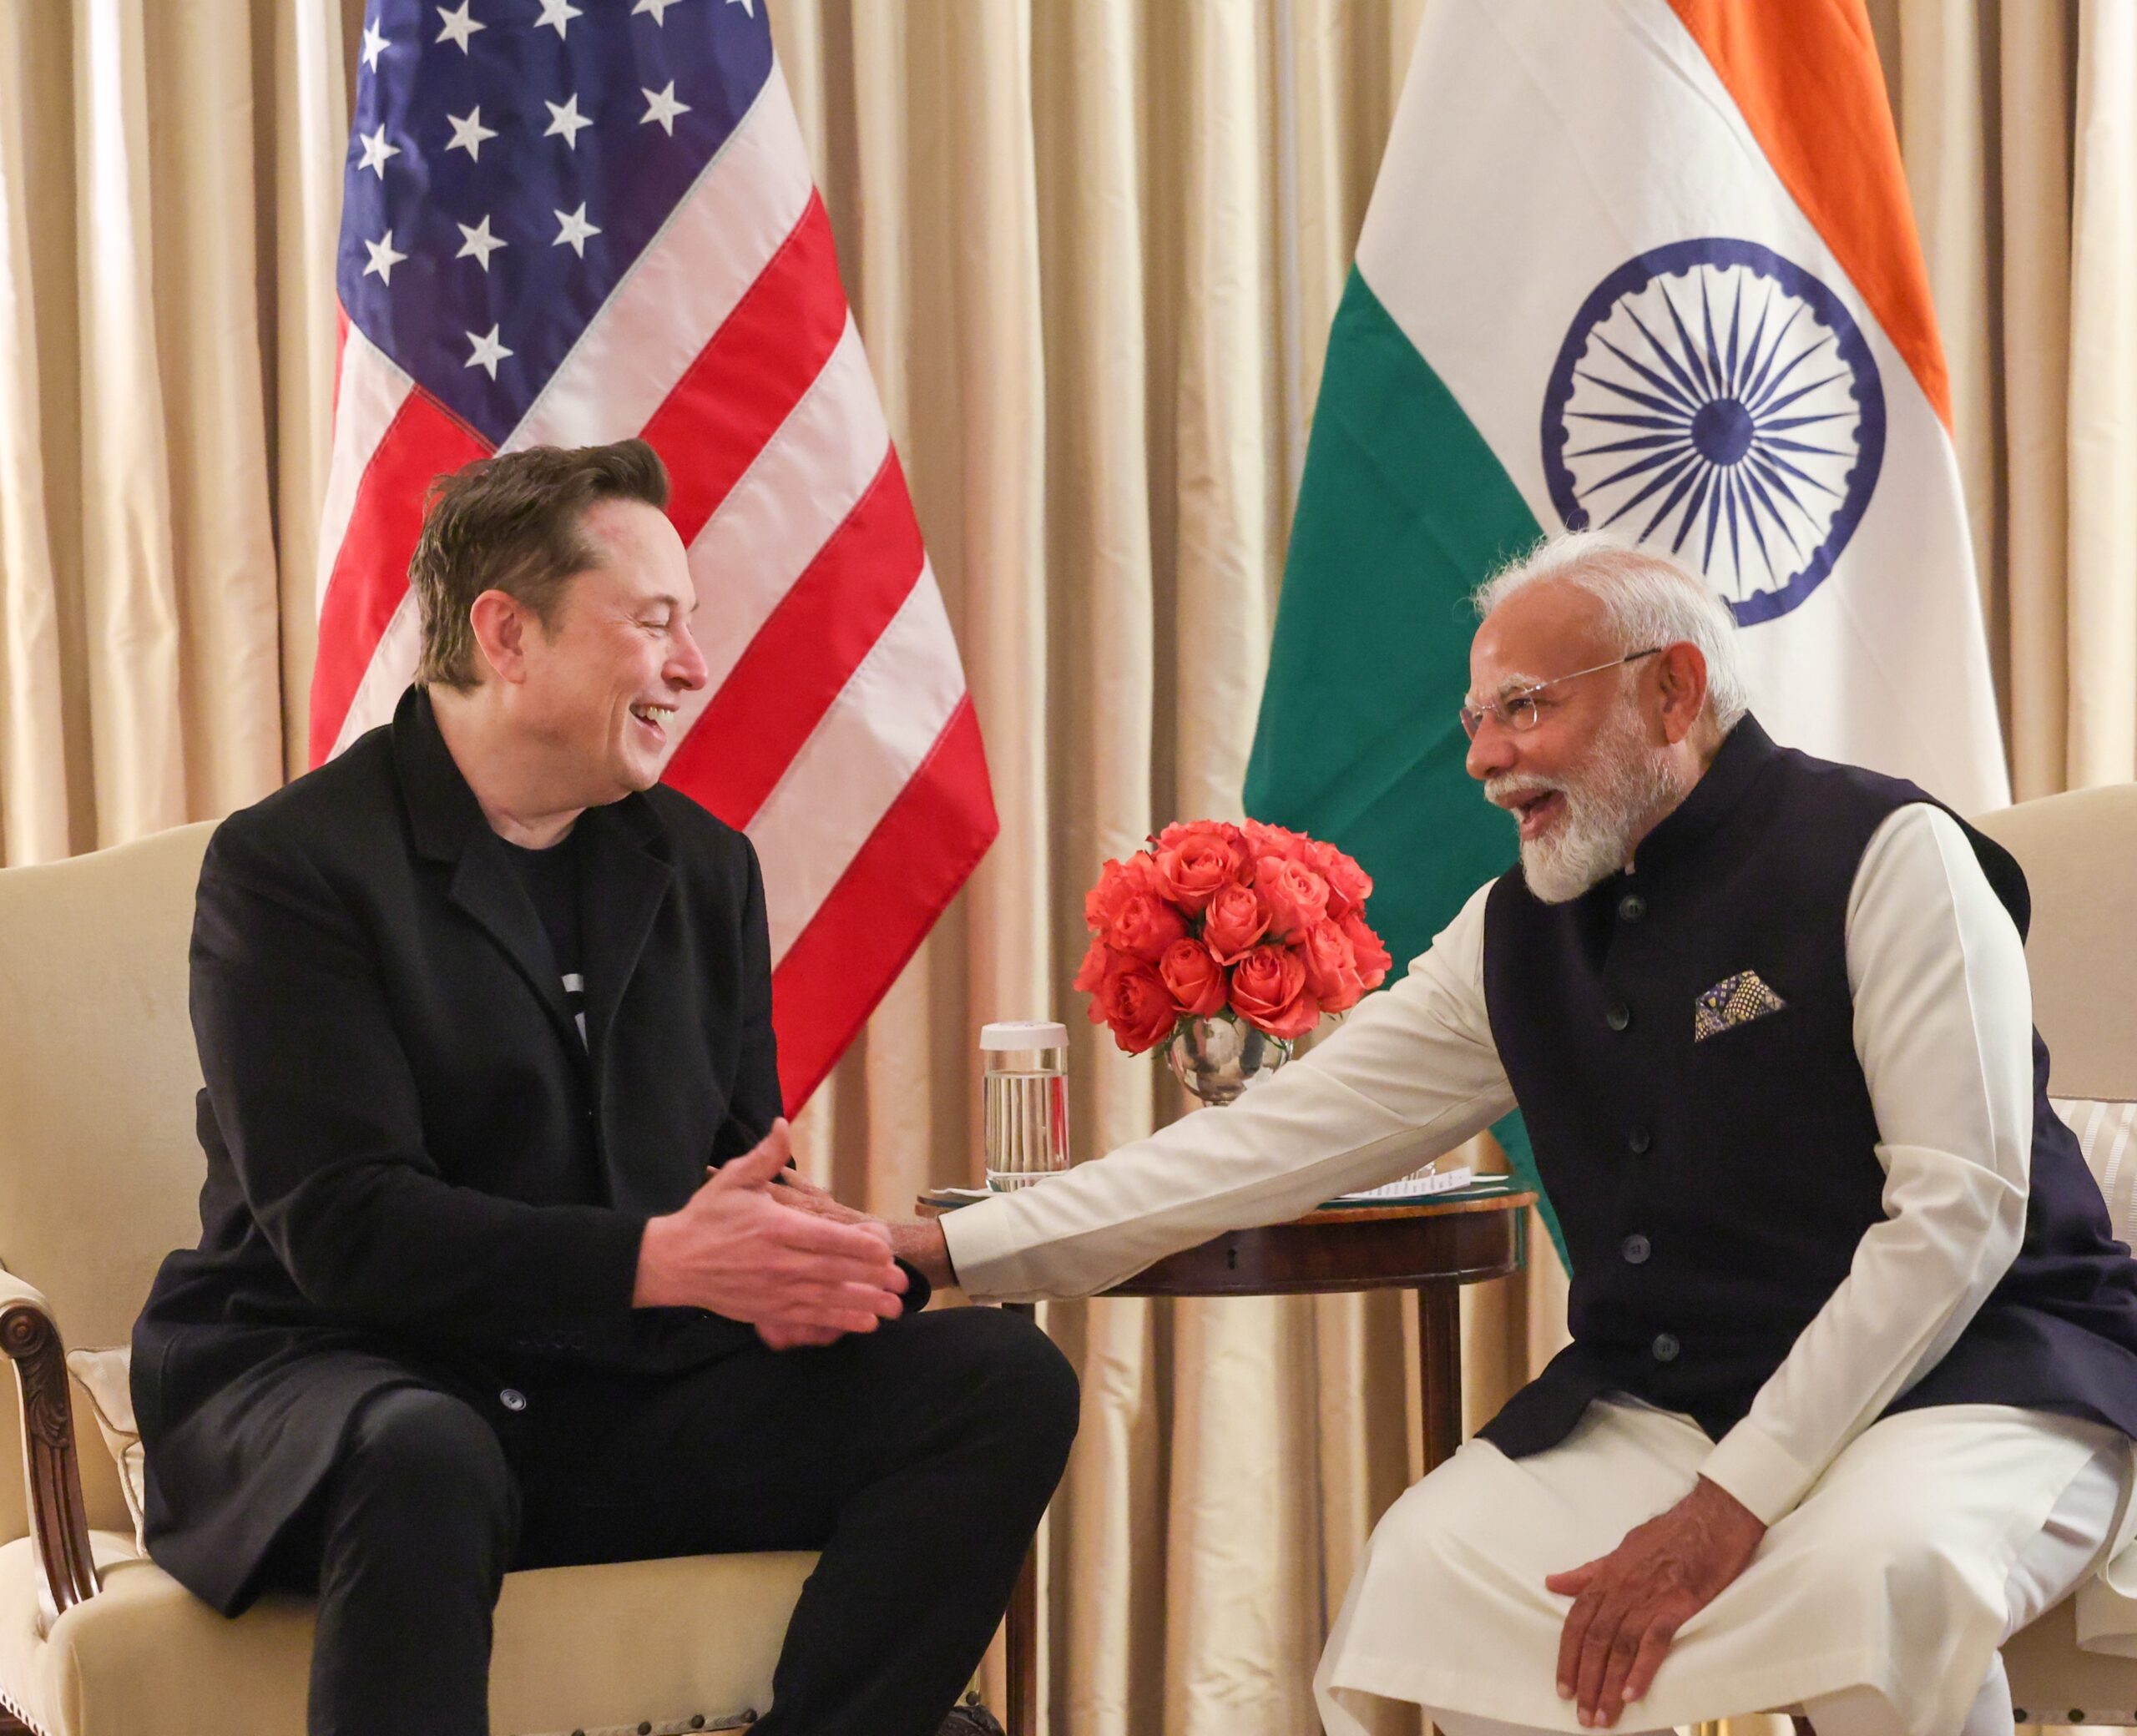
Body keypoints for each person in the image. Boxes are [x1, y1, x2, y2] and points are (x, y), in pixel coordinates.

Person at [881, 532, 2137, 1736]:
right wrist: (951, 1249)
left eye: (1525, 707)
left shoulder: (1888, 854)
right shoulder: (1511, 932)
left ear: (1672, 691)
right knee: (1442, 1570)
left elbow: (1960, 1214)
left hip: (1977, 1372)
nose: (1483, 760)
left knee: (1875, 1572)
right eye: (1476, 719)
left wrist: (1734, 1500)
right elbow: (1264, 1142)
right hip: (1682, 1397)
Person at [133, 438, 1079, 1736]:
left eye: (691, 625)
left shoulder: (703, 870)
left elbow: (731, 1170)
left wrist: (793, 1265)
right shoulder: (291, 869)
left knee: (998, 1379)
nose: (692, 666)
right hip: (334, 1381)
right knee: (427, 1454)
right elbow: (345, 1228)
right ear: (507, 635)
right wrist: (669, 1262)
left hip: (606, 1395)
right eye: (653, 623)